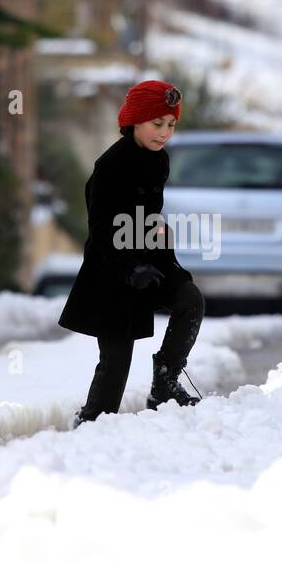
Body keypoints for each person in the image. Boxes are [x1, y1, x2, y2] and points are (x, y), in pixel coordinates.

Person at [58, 79, 206, 428]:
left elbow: (149, 220)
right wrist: (130, 268)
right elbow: (102, 230)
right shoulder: (111, 165)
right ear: (135, 121)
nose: (165, 133)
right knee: (116, 360)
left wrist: (169, 265)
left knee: (190, 299)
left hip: (149, 261)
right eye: (157, 124)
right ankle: (92, 422)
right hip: (111, 271)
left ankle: (165, 383)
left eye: (171, 125)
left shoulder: (159, 160)